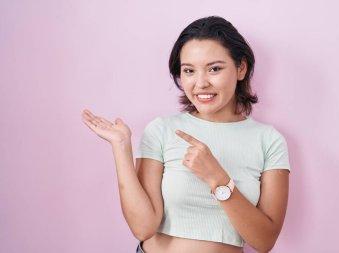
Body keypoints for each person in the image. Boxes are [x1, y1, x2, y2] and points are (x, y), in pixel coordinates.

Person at [82, 16, 290, 253]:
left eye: (214, 69)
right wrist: (121, 146)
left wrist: (218, 178)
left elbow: (264, 241)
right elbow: (143, 227)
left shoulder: (269, 140)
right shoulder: (161, 130)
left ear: (241, 68)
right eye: (189, 70)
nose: (200, 83)